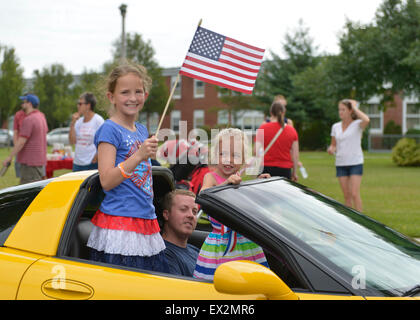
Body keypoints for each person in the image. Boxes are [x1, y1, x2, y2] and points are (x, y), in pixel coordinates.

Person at [86, 63, 169, 273]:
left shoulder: (141, 130)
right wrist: (139, 155)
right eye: (125, 92)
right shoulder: (109, 129)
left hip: (146, 221)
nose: (133, 97)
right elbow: (106, 180)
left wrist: (147, 155)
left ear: (146, 94)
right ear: (111, 96)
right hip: (120, 226)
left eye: (138, 91)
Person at [193, 128, 269, 281]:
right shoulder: (211, 177)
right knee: (220, 283)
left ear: (243, 160)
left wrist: (260, 182)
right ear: (216, 156)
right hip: (220, 245)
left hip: (245, 241)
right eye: (223, 154)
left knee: (249, 282)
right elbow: (203, 194)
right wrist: (225, 185)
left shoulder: (239, 178)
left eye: (235, 155)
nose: (228, 160)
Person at [327, 99, 370, 212]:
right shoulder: (335, 126)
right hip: (341, 164)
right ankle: (350, 225)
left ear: (350, 111)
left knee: (355, 194)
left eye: (343, 109)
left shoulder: (358, 124)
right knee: (347, 197)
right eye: (339, 110)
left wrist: (355, 107)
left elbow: (367, 119)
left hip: (355, 163)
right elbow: (333, 145)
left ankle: (361, 222)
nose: (340, 112)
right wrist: (331, 149)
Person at [3, 94, 48, 184]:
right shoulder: (41, 117)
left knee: (28, 191)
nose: (22, 104)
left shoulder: (29, 119)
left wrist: (10, 157)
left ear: (29, 104)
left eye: (24, 102)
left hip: (30, 163)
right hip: (39, 162)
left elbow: (21, 142)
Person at [257, 101, 300, 181]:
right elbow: (295, 155)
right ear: (284, 112)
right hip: (285, 169)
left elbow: (255, 151)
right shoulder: (292, 130)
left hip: (265, 168)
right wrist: (294, 172)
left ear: (271, 112)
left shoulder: (262, 128)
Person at [161, 189, 200, 277]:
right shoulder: (163, 255)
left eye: (194, 212)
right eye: (183, 209)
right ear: (166, 215)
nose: (191, 215)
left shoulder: (195, 250)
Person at [69, 92, 104, 171]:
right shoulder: (78, 121)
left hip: (91, 163)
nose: (78, 106)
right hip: (77, 163)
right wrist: (72, 124)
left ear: (88, 105)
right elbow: (72, 141)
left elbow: (104, 141)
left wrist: (97, 156)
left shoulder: (98, 120)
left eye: (80, 104)